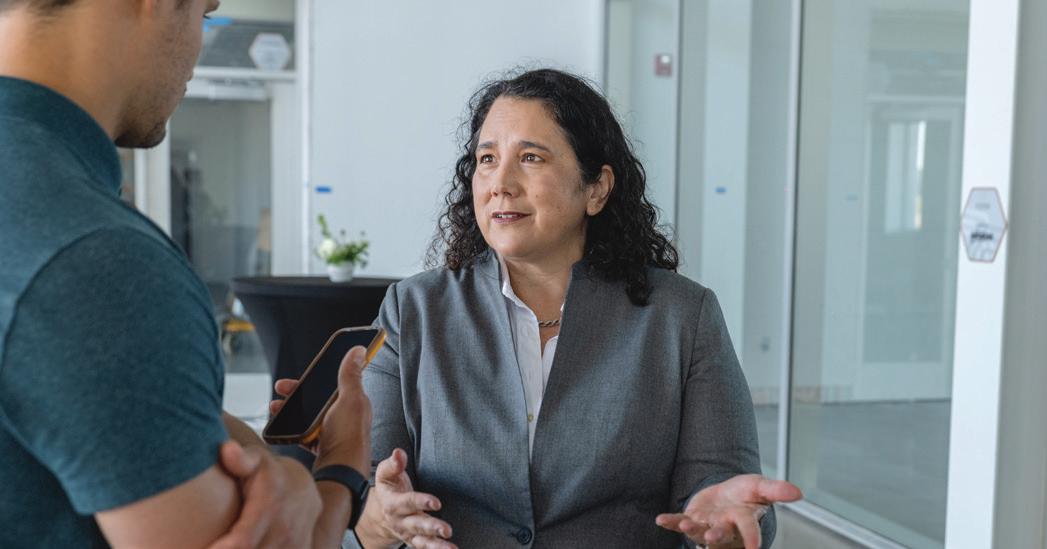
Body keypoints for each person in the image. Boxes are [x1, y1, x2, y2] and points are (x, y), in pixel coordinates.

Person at [336, 68, 802, 548]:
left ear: (596, 188)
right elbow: (362, 494)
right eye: (487, 159)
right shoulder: (413, 310)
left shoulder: (682, 316)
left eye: (531, 158)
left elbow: (726, 492)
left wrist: (725, 529)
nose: (501, 183)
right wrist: (377, 519)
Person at [0, 1, 371, 547]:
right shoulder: (102, 261)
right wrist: (340, 469)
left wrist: (258, 457)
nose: (200, 43)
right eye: (204, 13)